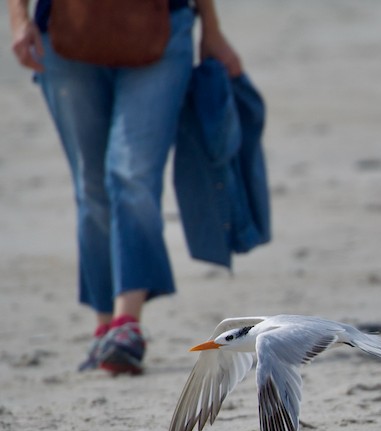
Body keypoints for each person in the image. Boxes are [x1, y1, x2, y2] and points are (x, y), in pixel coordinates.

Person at [7, 0, 242, 374]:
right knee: (91, 184)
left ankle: (126, 324)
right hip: (66, 30)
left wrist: (211, 30)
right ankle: (106, 328)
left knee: (132, 174)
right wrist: (19, 20)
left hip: (163, 24)